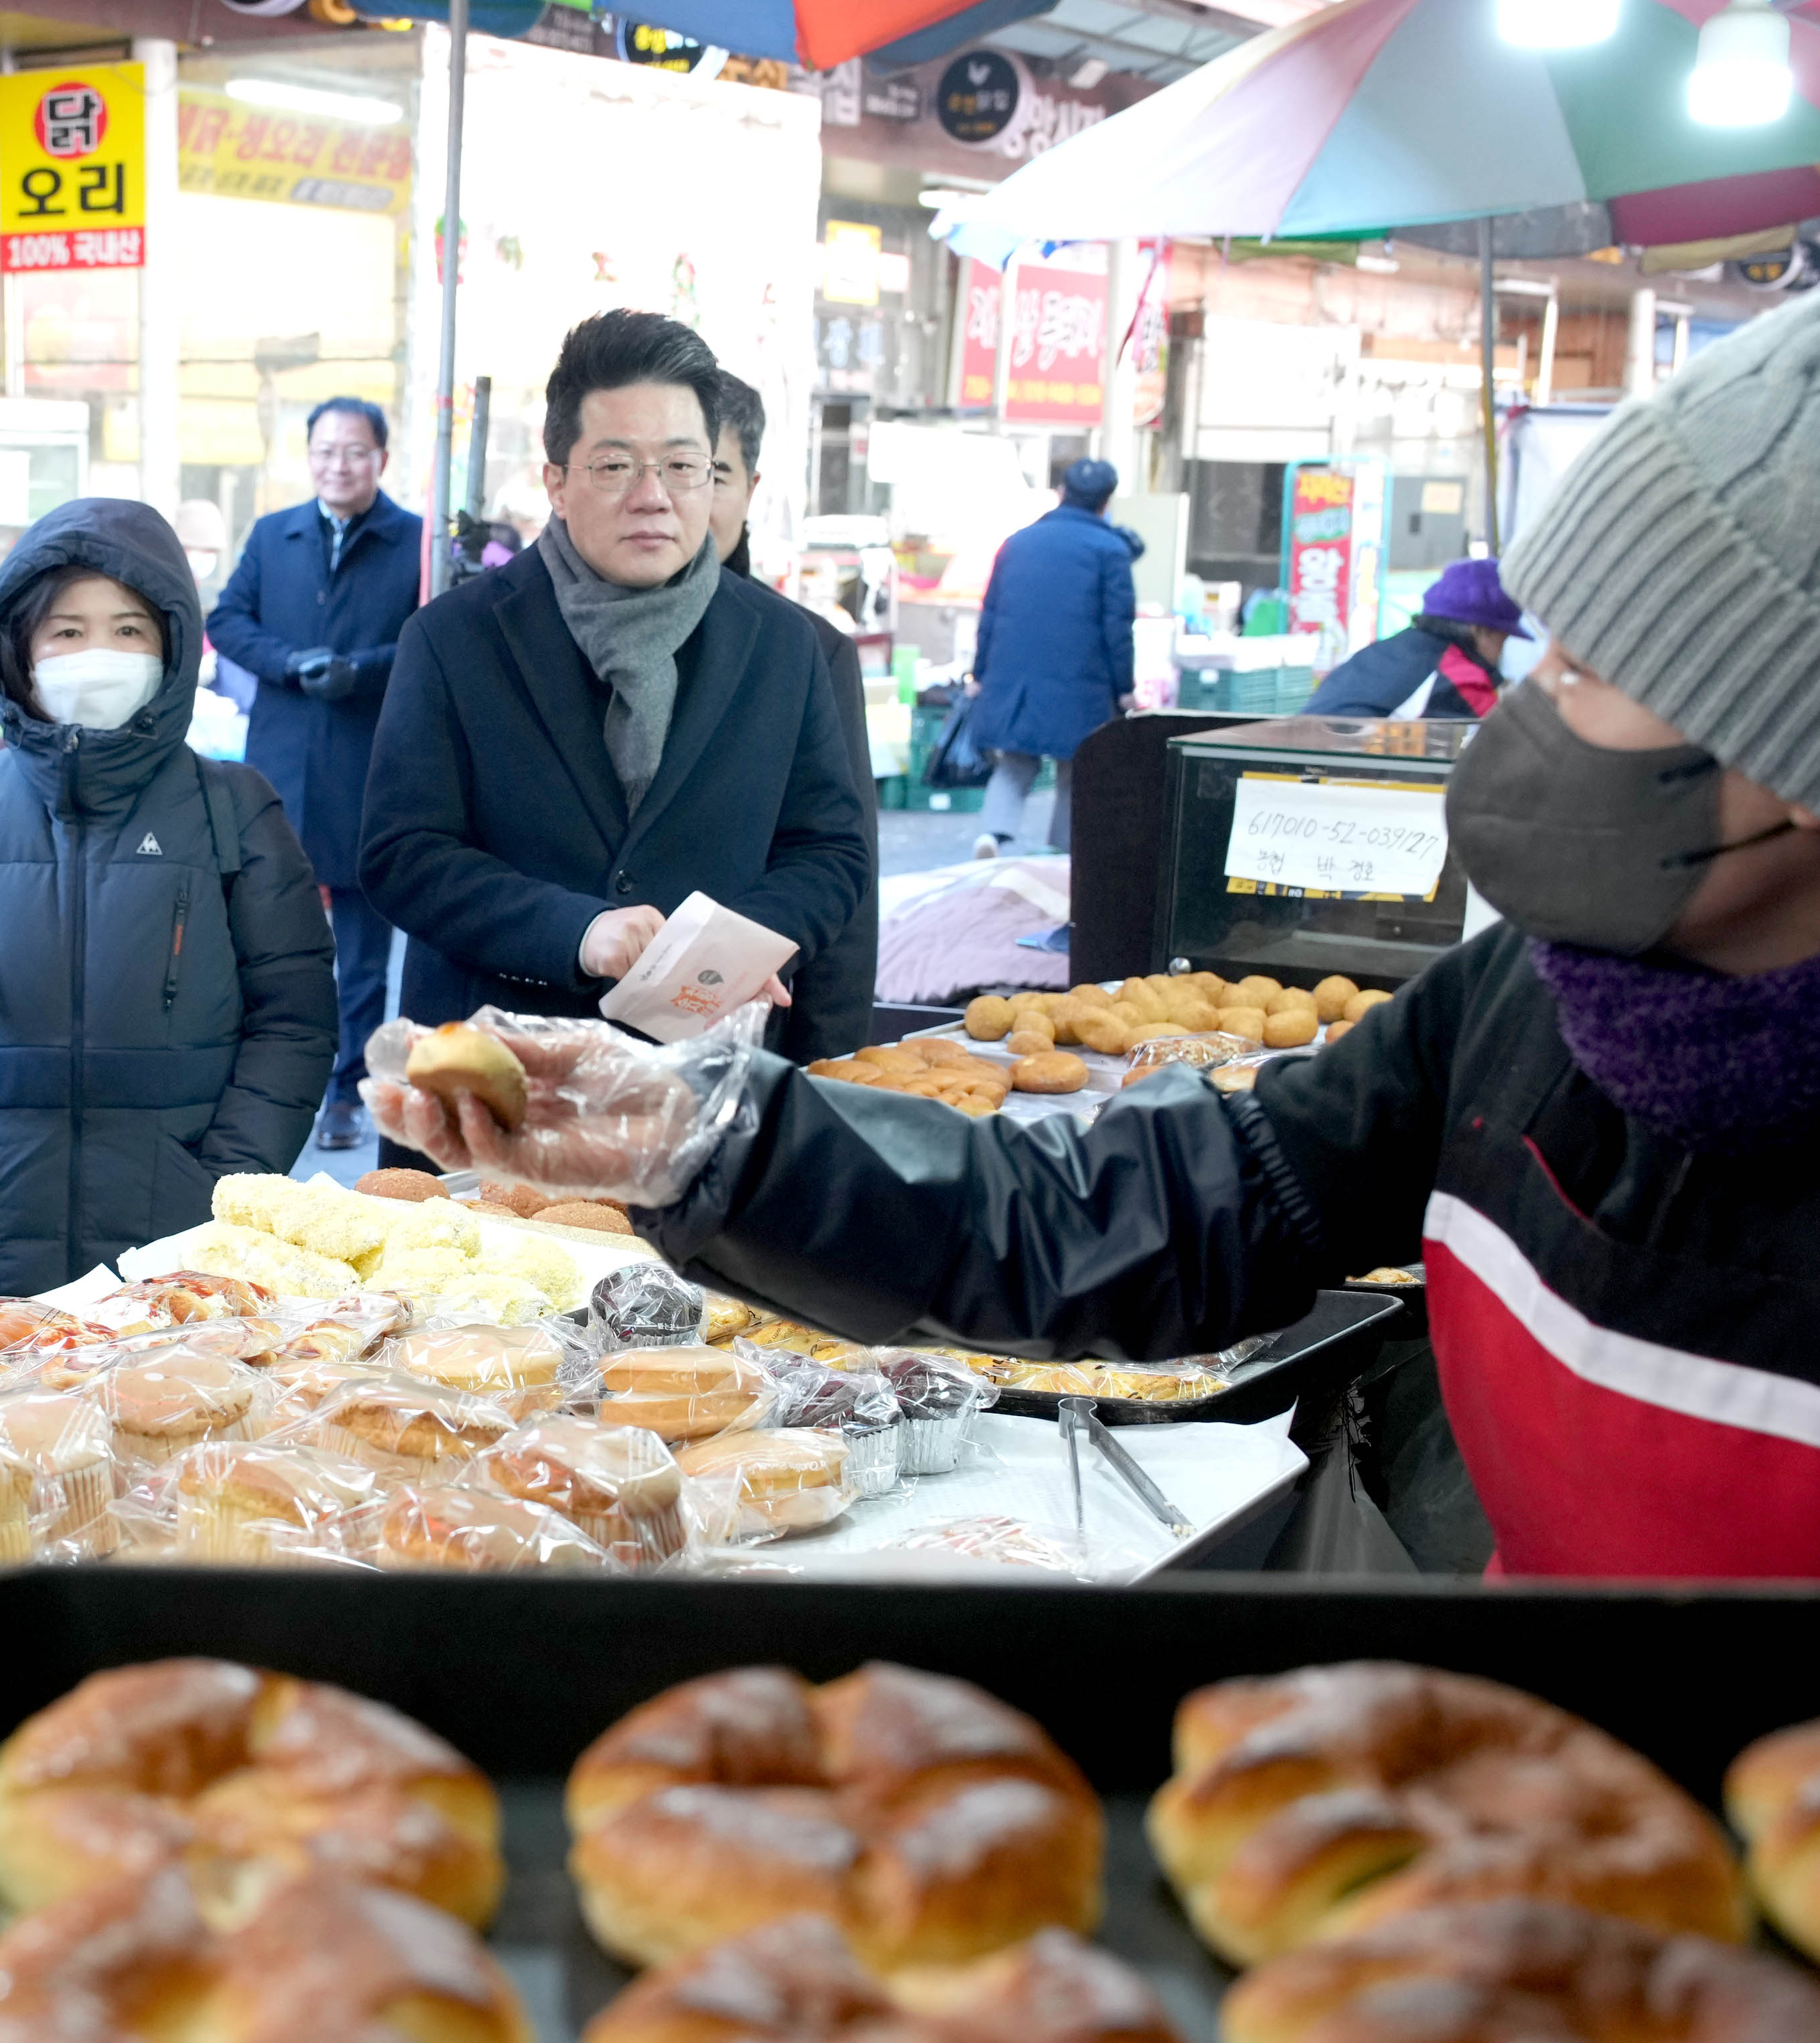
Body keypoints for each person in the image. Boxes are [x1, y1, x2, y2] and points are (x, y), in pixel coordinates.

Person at [371, 289, 1820, 1578]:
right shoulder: (1523, 1011)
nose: (1521, 716)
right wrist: (718, 1143)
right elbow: (1161, 1210)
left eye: (1593, 669)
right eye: (1539, 650)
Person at [358, 309, 868, 1161]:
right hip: (491, 1089)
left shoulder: (784, 645)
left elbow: (831, 849)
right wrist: (577, 932)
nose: (653, 495)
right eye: (616, 465)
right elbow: (402, 852)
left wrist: (732, 950)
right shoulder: (454, 638)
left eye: (681, 465)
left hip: (704, 1094)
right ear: (556, 480)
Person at [0, 498, 335, 1299]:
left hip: (186, 1258)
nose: (99, 652)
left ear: (171, 647)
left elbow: (293, 1020)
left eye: (128, 629)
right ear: (18, 651)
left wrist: (228, 1180)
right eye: (67, 630)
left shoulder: (233, 809)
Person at [205, 394, 423, 1153]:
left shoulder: (415, 543)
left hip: (371, 771)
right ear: (310, 458)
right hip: (284, 770)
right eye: (326, 451)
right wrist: (290, 664)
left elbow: (434, 642)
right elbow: (227, 621)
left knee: (364, 954)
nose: (340, 464)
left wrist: (361, 672)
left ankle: (346, 1091)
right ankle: (256, 1081)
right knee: (265, 934)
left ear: (381, 460)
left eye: (355, 452)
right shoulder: (274, 535)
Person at [707, 370, 877, 1063]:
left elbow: (840, 871)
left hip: (742, 1054)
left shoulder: (806, 647)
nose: (673, 495)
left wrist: (825, 1073)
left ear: (751, 488)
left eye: (711, 471)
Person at [965, 456, 1140, 858]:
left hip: (1014, 677)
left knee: (1014, 762)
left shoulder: (1018, 542)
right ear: (1106, 501)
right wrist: (1124, 687)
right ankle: (1061, 855)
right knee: (1077, 768)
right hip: (1081, 679)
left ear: (1061, 493)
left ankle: (992, 834)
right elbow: (1118, 627)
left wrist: (980, 673)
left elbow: (990, 613)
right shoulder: (1110, 550)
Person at [1305, 560, 1524, 719]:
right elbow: (1500, 752)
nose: (1500, 654)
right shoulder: (1458, 678)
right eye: (1503, 641)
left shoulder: (1381, 654)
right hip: (1347, 778)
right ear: (1480, 630)